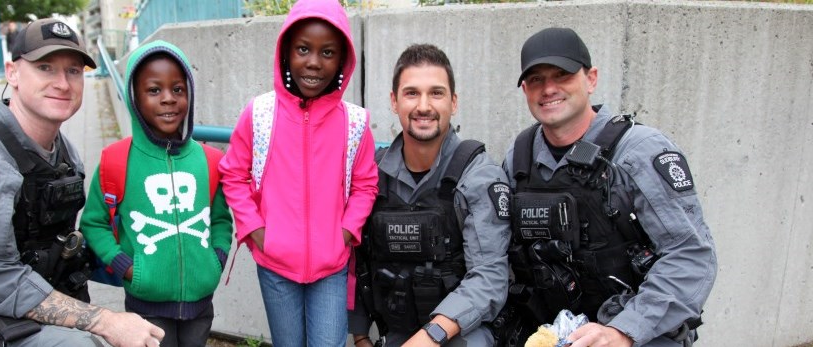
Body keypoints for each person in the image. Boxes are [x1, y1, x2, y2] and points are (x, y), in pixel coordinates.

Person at [0, 18, 164, 347]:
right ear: (13, 72)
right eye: (45, 67)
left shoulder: (63, 151)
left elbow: (58, 243)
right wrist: (102, 320)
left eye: (73, 71)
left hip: (20, 289)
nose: (63, 84)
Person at [501, 27, 717, 346]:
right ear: (525, 91)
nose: (548, 88)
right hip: (552, 331)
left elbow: (690, 256)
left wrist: (623, 330)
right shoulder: (518, 159)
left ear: (591, 79)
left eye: (562, 74)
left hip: (636, 328)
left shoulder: (640, 152)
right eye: (536, 79)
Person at [218, 0, 379, 345]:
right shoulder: (259, 113)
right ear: (286, 52)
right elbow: (233, 174)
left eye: (328, 52)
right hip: (275, 266)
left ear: (342, 60)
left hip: (331, 267)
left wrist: (346, 233)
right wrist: (256, 230)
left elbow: (366, 185)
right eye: (303, 49)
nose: (313, 62)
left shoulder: (355, 122)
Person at [348, 44, 511, 347]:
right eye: (411, 93)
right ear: (394, 102)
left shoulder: (477, 176)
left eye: (436, 93)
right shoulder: (372, 174)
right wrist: (360, 336)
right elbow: (357, 261)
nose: (424, 106)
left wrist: (432, 336)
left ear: (454, 101)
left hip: (458, 334)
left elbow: (490, 276)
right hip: (396, 331)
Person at [79, 40, 234, 347]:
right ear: (134, 98)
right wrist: (127, 267)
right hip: (145, 307)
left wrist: (215, 260)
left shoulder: (210, 161)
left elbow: (221, 220)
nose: (168, 99)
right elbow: (93, 223)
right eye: (154, 90)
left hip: (201, 304)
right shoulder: (116, 159)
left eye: (178, 89)